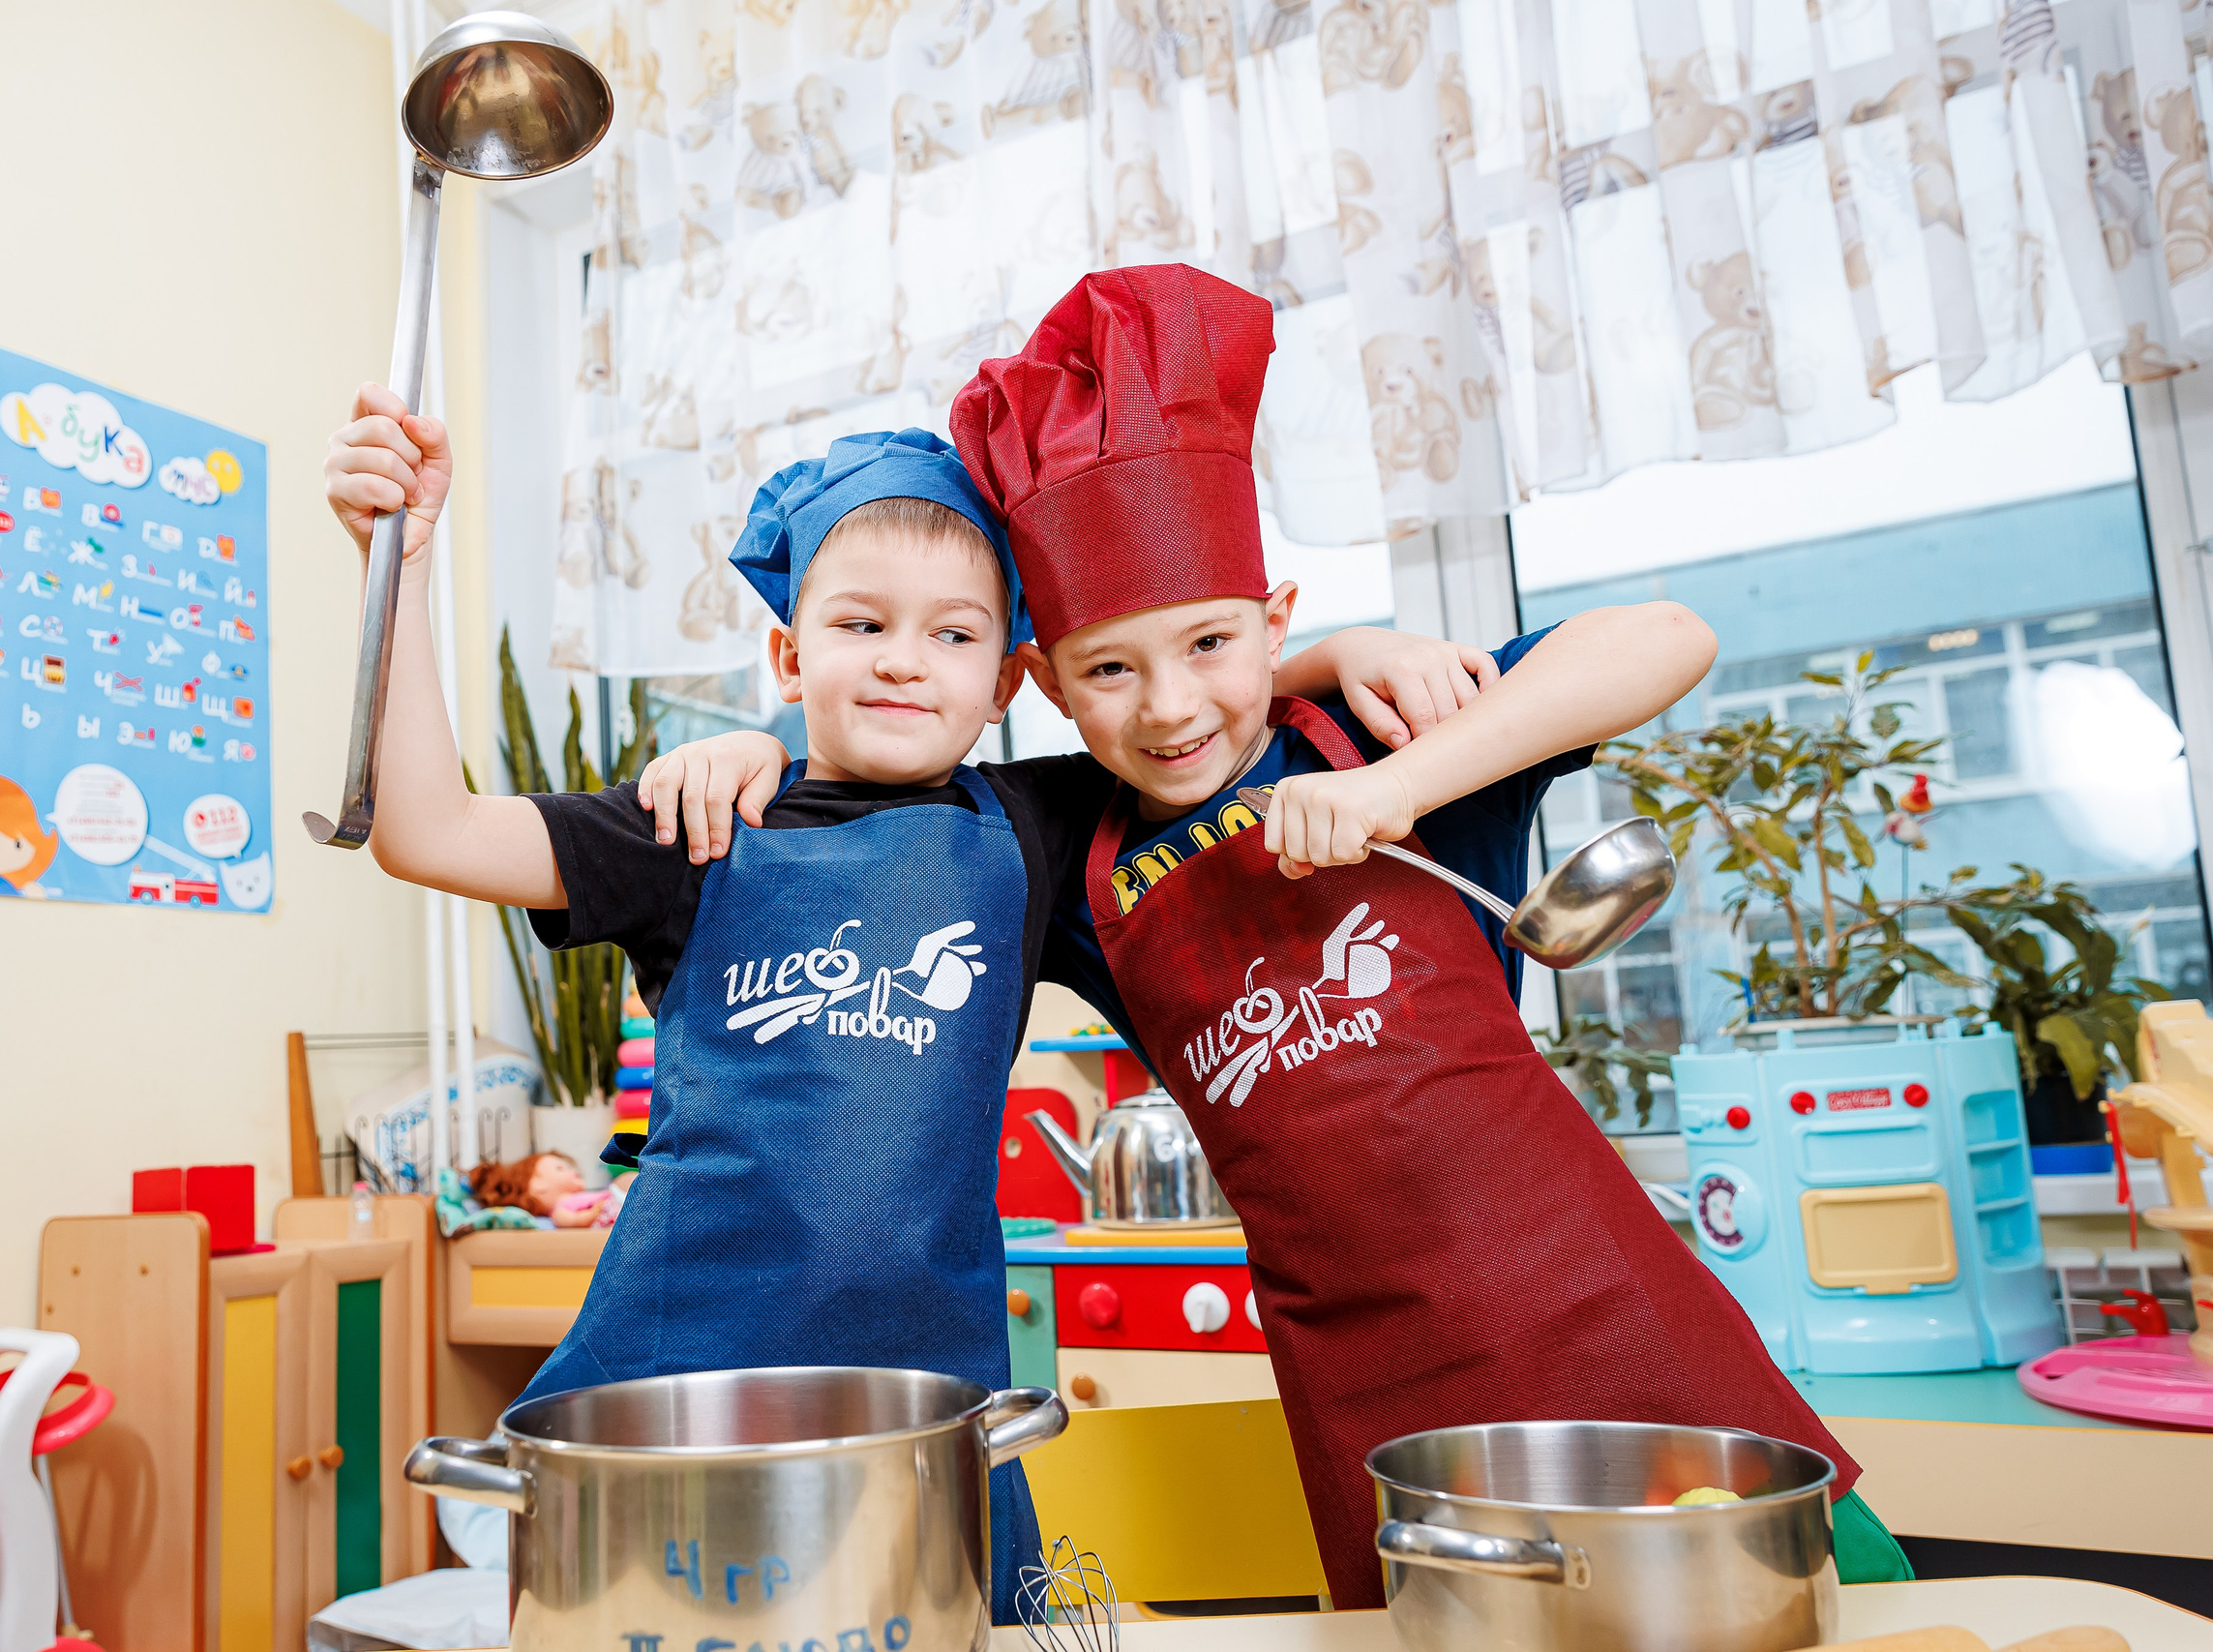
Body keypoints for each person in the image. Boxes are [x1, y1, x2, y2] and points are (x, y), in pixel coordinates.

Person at [647, 265, 1909, 1607]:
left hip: (1604, 1318)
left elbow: (1666, 633)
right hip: (1360, 1378)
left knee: (1805, 1614)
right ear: (1048, 685)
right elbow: (886, 788)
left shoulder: (1396, 740)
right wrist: (753, 742)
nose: (1170, 704)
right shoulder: (1070, 858)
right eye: (1110, 669)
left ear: (1275, 617)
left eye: (1214, 642)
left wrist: (1387, 778)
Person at [318, 389, 1487, 1620]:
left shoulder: (1035, 832)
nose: (900, 659)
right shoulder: (699, 827)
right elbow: (425, 829)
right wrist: (395, 559)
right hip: (678, 1397)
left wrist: (1340, 655)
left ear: (1006, 682)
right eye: (860, 622)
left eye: (953, 635)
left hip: (933, 1415)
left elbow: (1178, 704)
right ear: (786, 653)